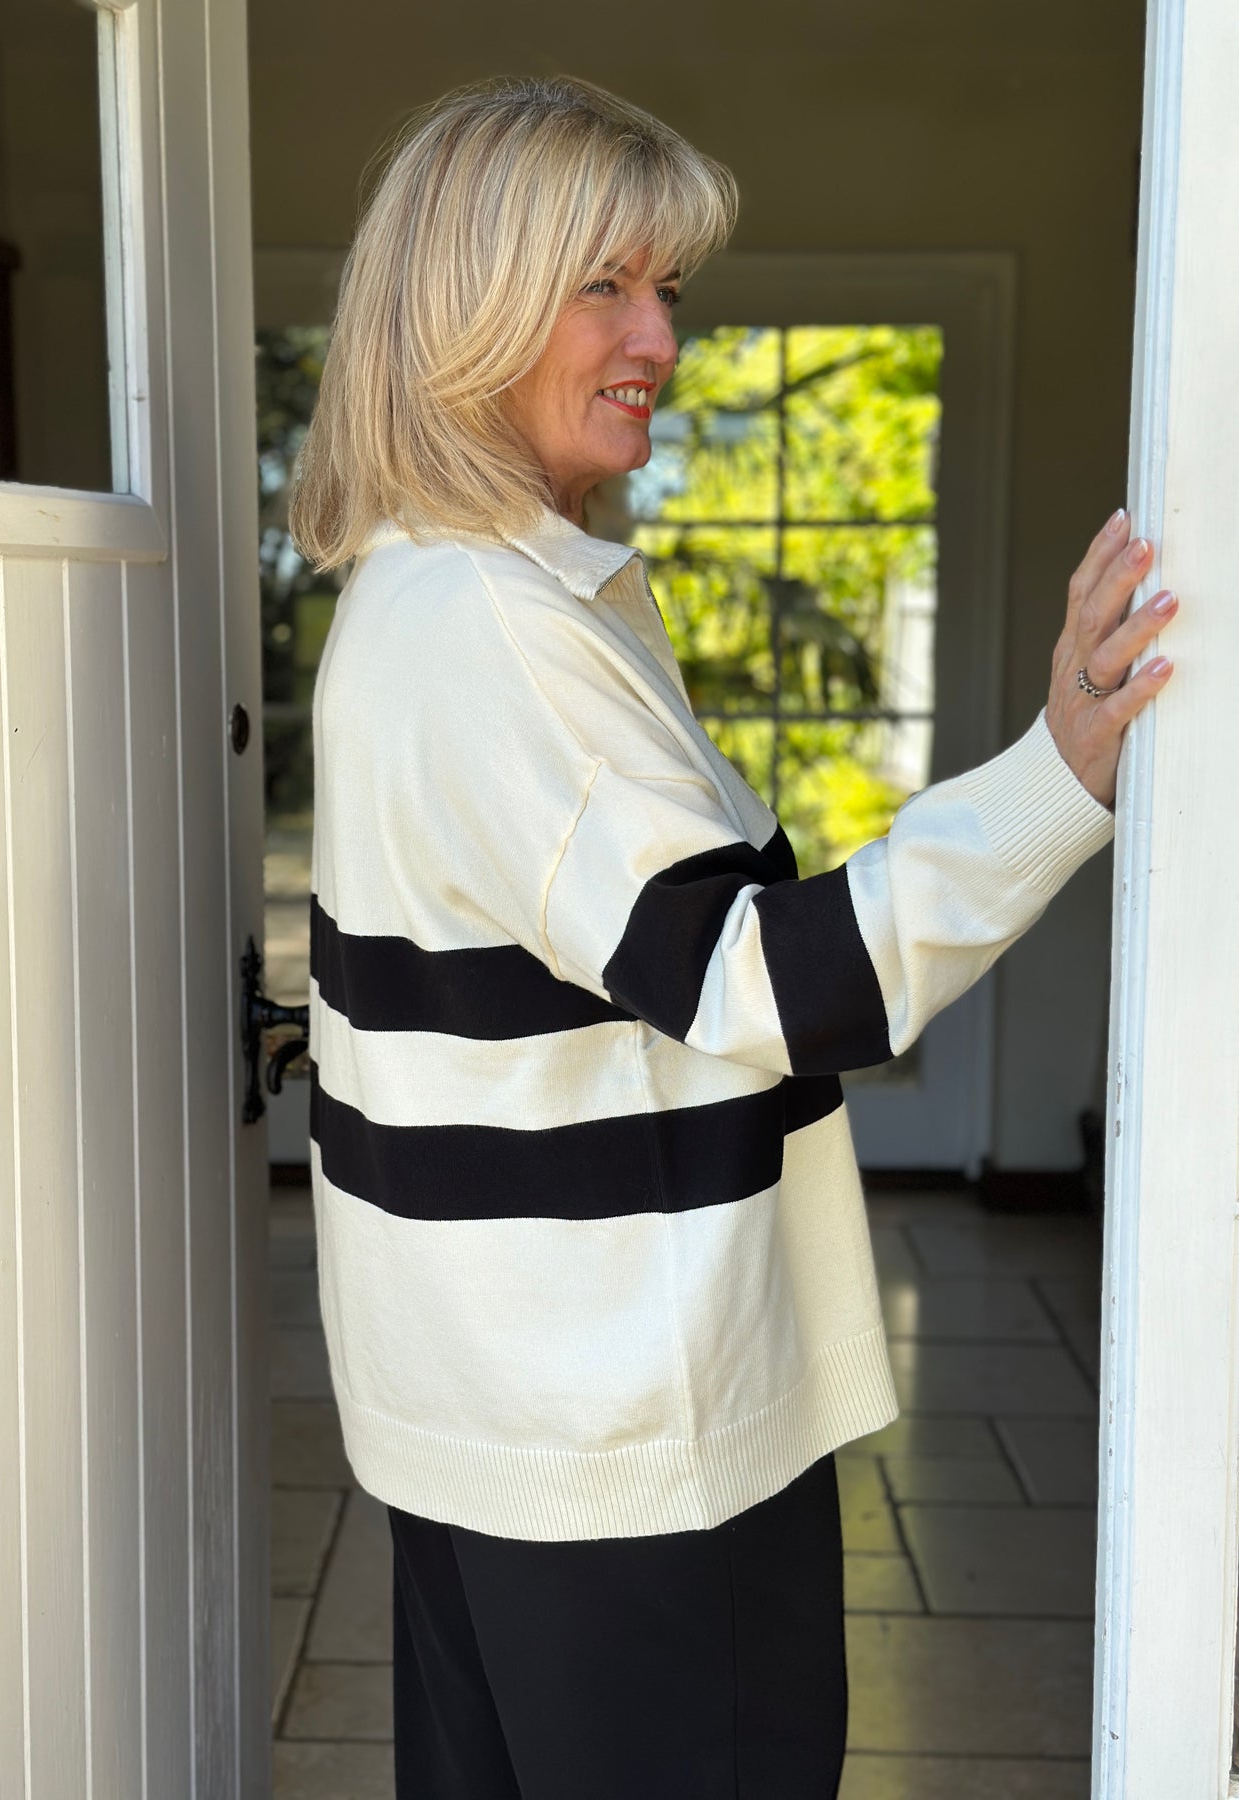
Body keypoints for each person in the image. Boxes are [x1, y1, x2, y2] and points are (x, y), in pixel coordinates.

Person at [288, 74, 1176, 1800]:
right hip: (628, 1429)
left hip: (504, 1408)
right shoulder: (494, 625)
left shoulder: (429, 588)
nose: (659, 339)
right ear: (466, 311)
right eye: (602, 286)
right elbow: (769, 982)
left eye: (667, 289)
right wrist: (1057, 775)